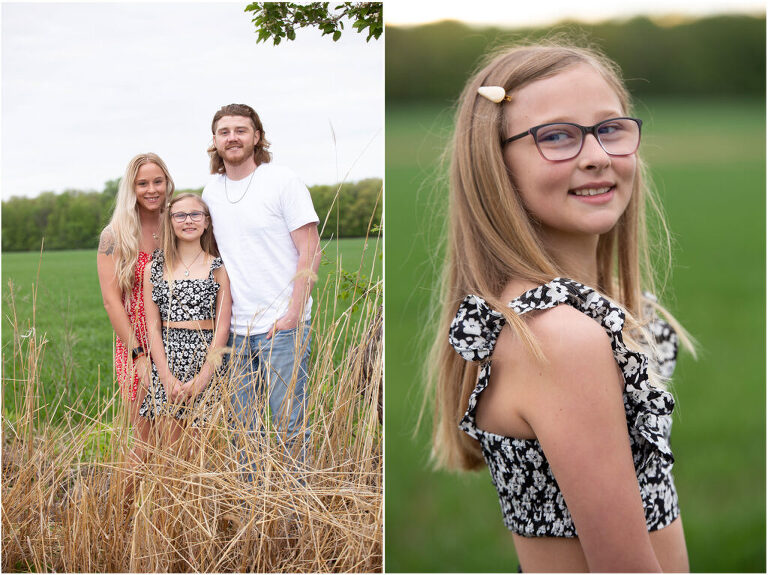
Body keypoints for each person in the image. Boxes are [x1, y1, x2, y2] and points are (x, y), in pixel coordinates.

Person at [428, 44, 695, 572]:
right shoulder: (559, 337)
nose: (596, 154)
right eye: (556, 136)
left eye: (610, 128)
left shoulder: (563, 316)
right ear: (494, 165)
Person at [202, 104, 321, 467]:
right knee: (243, 432)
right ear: (215, 142)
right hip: (234, 334)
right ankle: (255, 516)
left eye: (241, 130)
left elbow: (310, 250)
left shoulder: (282, 181)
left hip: (281, 330)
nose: (232, 137)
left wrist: (293, 314)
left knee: (290, 426)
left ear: (257, 137)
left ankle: (293, 519)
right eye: (224, 131)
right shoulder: (211, 191)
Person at [97, 153, 172, 464]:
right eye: (143, 183)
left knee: (178, 444)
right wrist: (138, 354)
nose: (151, 189)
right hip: (136, 343)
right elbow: (111, 301)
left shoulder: (178, 224)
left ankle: (164, 513)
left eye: (157, 181)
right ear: (131, 188)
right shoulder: (114, 235)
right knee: (147, 445)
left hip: (178, 340)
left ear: (168, 183)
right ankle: (117, 512)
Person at [138, 193, 232, 440]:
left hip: (205, 360)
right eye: (180, 215)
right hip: (167, 360)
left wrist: (201, 380)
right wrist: (166, 377)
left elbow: (222, 328)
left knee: (200, 448)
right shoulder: (155, 268)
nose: (188, 220)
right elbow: (153, 326)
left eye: (195, 214)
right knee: (172, 450)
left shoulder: (219, 268)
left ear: (206, 222)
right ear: (170, 221)